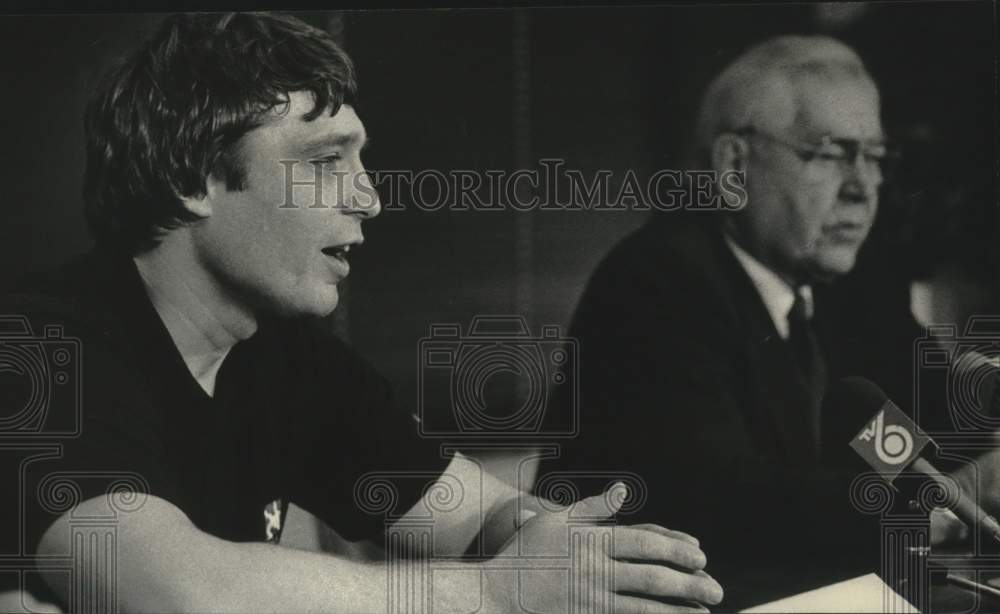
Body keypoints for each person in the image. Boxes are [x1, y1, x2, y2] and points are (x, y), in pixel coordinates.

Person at [0, 12, 723, 613]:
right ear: (191, 177)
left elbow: (473, 517)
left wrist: (560, 544)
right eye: (324, 162)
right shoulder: (37, 347)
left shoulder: (288, 356)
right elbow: (180, 595)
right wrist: (495, 594)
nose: (369, 197)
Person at [536, 35, 894, 609]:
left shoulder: (841, 290)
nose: (862, 188)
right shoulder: (657, 283)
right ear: (733, 163)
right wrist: (933, 503)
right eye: (830, 153)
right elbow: (733, 503)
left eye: (874, 157)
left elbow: (913, 424)